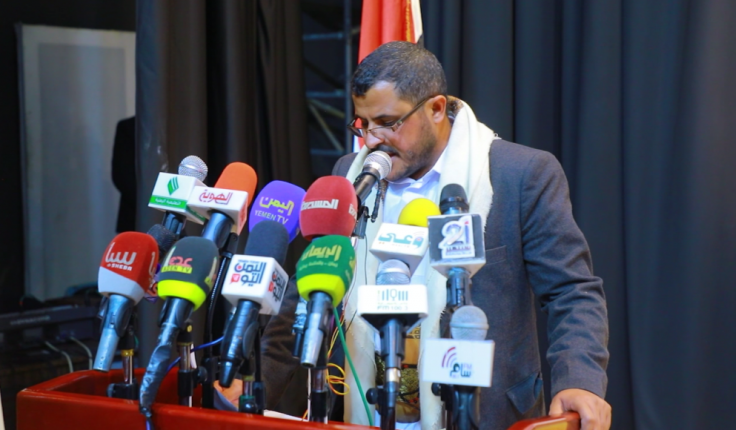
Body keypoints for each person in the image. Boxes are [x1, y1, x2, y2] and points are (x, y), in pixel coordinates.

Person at [226, 41, 610, 430]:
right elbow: (311, 289)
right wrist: (254, 385)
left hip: (483, 413)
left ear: (436, 109)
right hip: (366, 413)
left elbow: (570, 290)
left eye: (388, 122)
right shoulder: (350, 175)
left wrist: (580, 380)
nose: (371, 140)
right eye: (363, 124)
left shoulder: (520, 174)